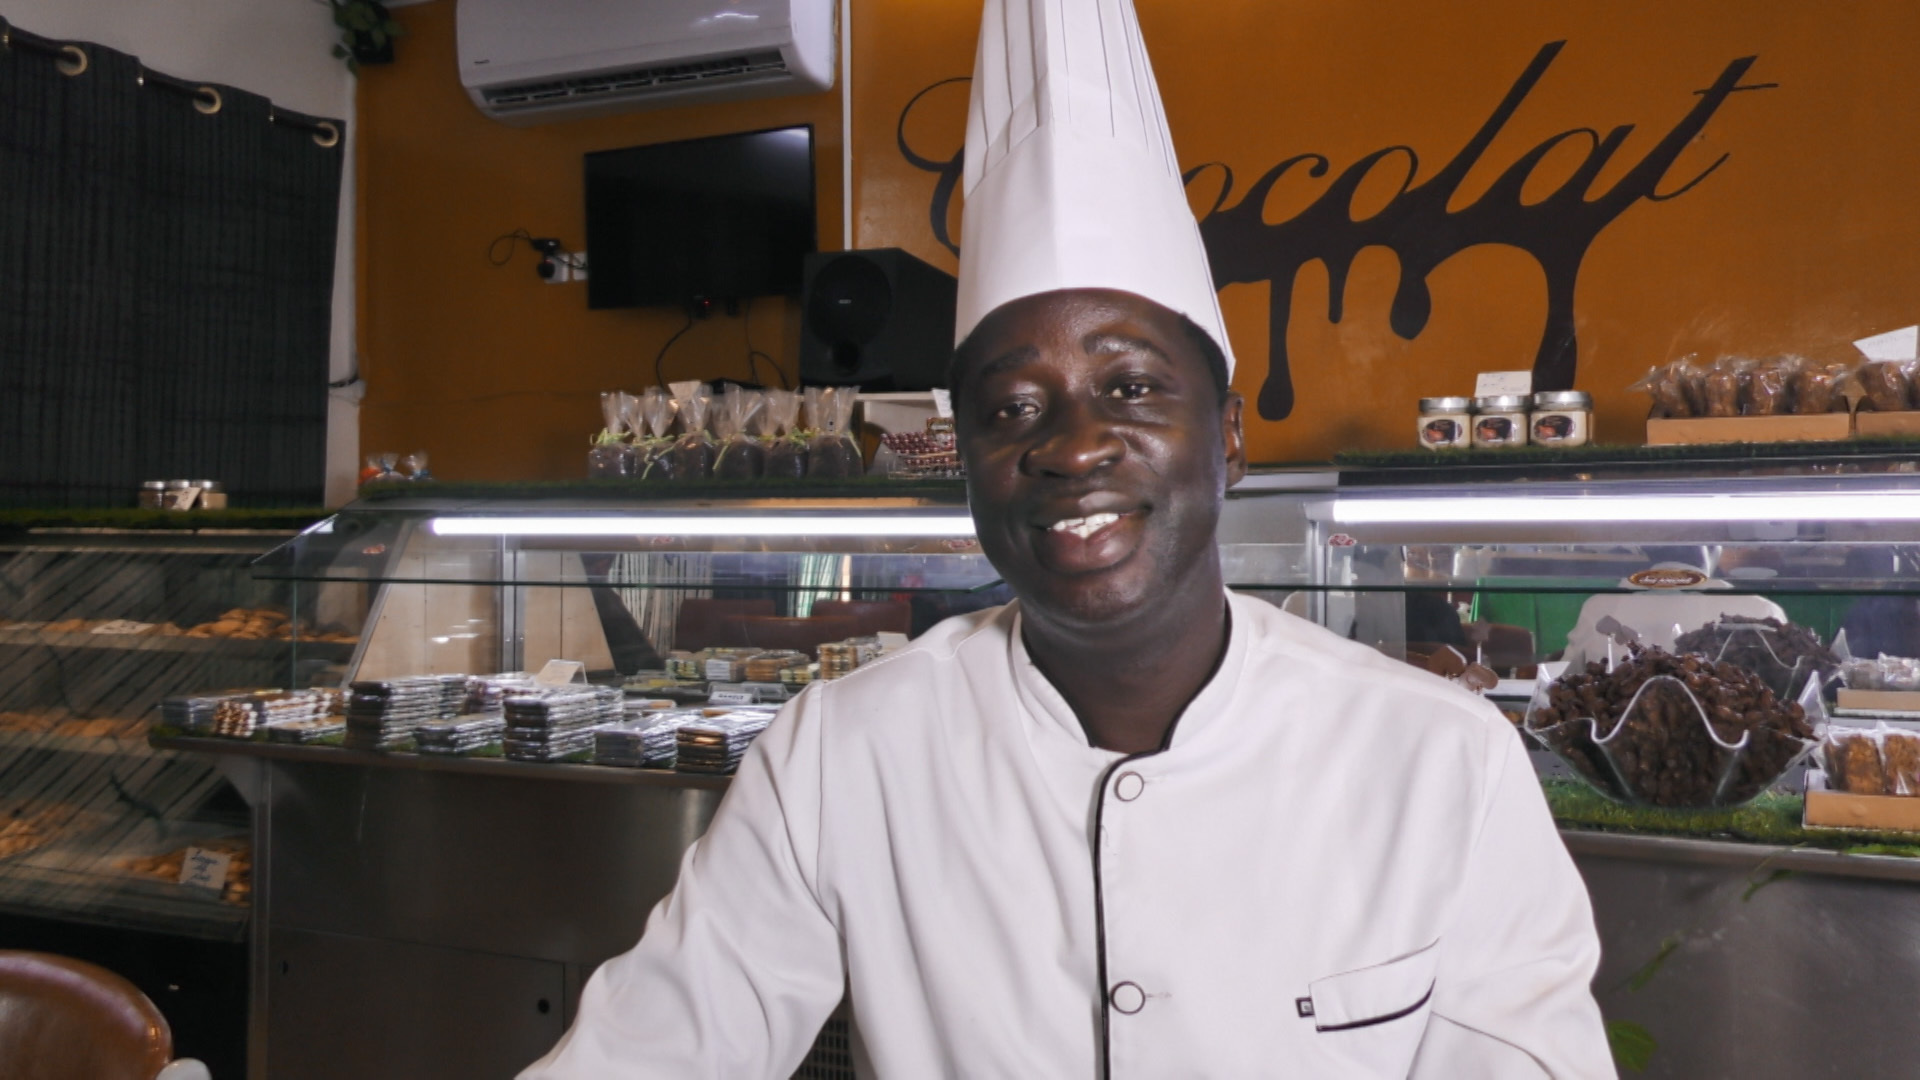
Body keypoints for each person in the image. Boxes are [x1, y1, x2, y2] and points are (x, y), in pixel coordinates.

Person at [521, 0, 1611, 1075]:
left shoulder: (1439, 760)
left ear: (1229, 437)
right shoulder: (839, 756)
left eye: (1131, 387)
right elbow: (652, 1047)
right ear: (967, 460)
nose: (1073, 445)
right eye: (1012, 406)